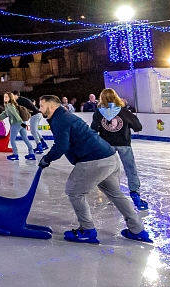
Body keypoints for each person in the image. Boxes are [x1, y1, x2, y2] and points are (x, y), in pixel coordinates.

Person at [36, 95, 150, 244]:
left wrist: (47, 159)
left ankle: (87, 229)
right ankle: (138, 230)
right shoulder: (64, 116)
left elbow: (61, 146)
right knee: (115, 194)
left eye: (42, 106)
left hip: (93, 160)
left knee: (74, 191)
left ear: (51, 107)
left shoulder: (60, 120)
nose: (40, 109)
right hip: (109, 156)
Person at [90, 88, 147, 210]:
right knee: (130, 169)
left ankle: (114, 194)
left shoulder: (99, 112)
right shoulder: (123, 112)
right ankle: (135, 195)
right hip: (124, 143)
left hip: (107, 145)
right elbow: (138, 127)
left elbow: (94, 129)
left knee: (111, 171)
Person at [0, 92, 28, 161]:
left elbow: (16, 115)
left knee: (12, 139)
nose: (5, 98)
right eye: (4, 97)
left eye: (7, 97)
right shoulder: (9, 105)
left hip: (16, 124)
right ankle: (31, 153)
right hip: (20, 123)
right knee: (25, 138)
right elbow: (5, 114)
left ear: (10, 98)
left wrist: (21, 123)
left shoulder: (9, 105)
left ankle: (15, 154)